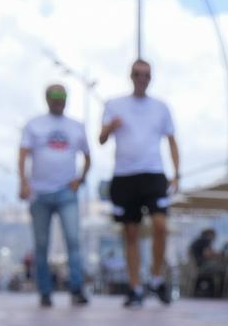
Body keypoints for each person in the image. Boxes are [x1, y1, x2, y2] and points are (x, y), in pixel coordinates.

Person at [100, 59, 180, 308]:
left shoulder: (161, 107)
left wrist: (177, 173)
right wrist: (110, 127)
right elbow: (101, 138)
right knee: (131, 233)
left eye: (146, 74)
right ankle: (135, 287)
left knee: (161, 226)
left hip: (153, 173)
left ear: (151, 77)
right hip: (125, 175)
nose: (142, 79)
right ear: (131, 76)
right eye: (137, 74)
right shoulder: (114, 104)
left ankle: (156, 279)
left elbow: (172, 140)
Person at [19, 83, 91, 307]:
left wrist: (80, 178)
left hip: (67, 192)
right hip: (39, 193)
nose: (59, 99)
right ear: (47, 98)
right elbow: (23, 154)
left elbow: (87, 156)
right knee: (41, 244)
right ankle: (45, 291)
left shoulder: (76, 126)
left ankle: (76, 288)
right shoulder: (34, 125)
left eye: (62, 95)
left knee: (73, 240)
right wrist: (23, 182)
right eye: (54, 95)